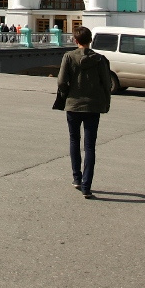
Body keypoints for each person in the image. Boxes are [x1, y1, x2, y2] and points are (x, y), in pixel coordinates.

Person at [55, 26, 112, 199]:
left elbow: (61, 81)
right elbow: (107, 84)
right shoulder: (100, 59)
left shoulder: (68, 57)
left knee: (74, 140)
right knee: (90, 146)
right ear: (91, 40)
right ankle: (87, 186)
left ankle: (77, 178)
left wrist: (66, 95)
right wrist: (104, 102)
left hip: (73, 106)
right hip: (93, 107)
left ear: (75, 40)